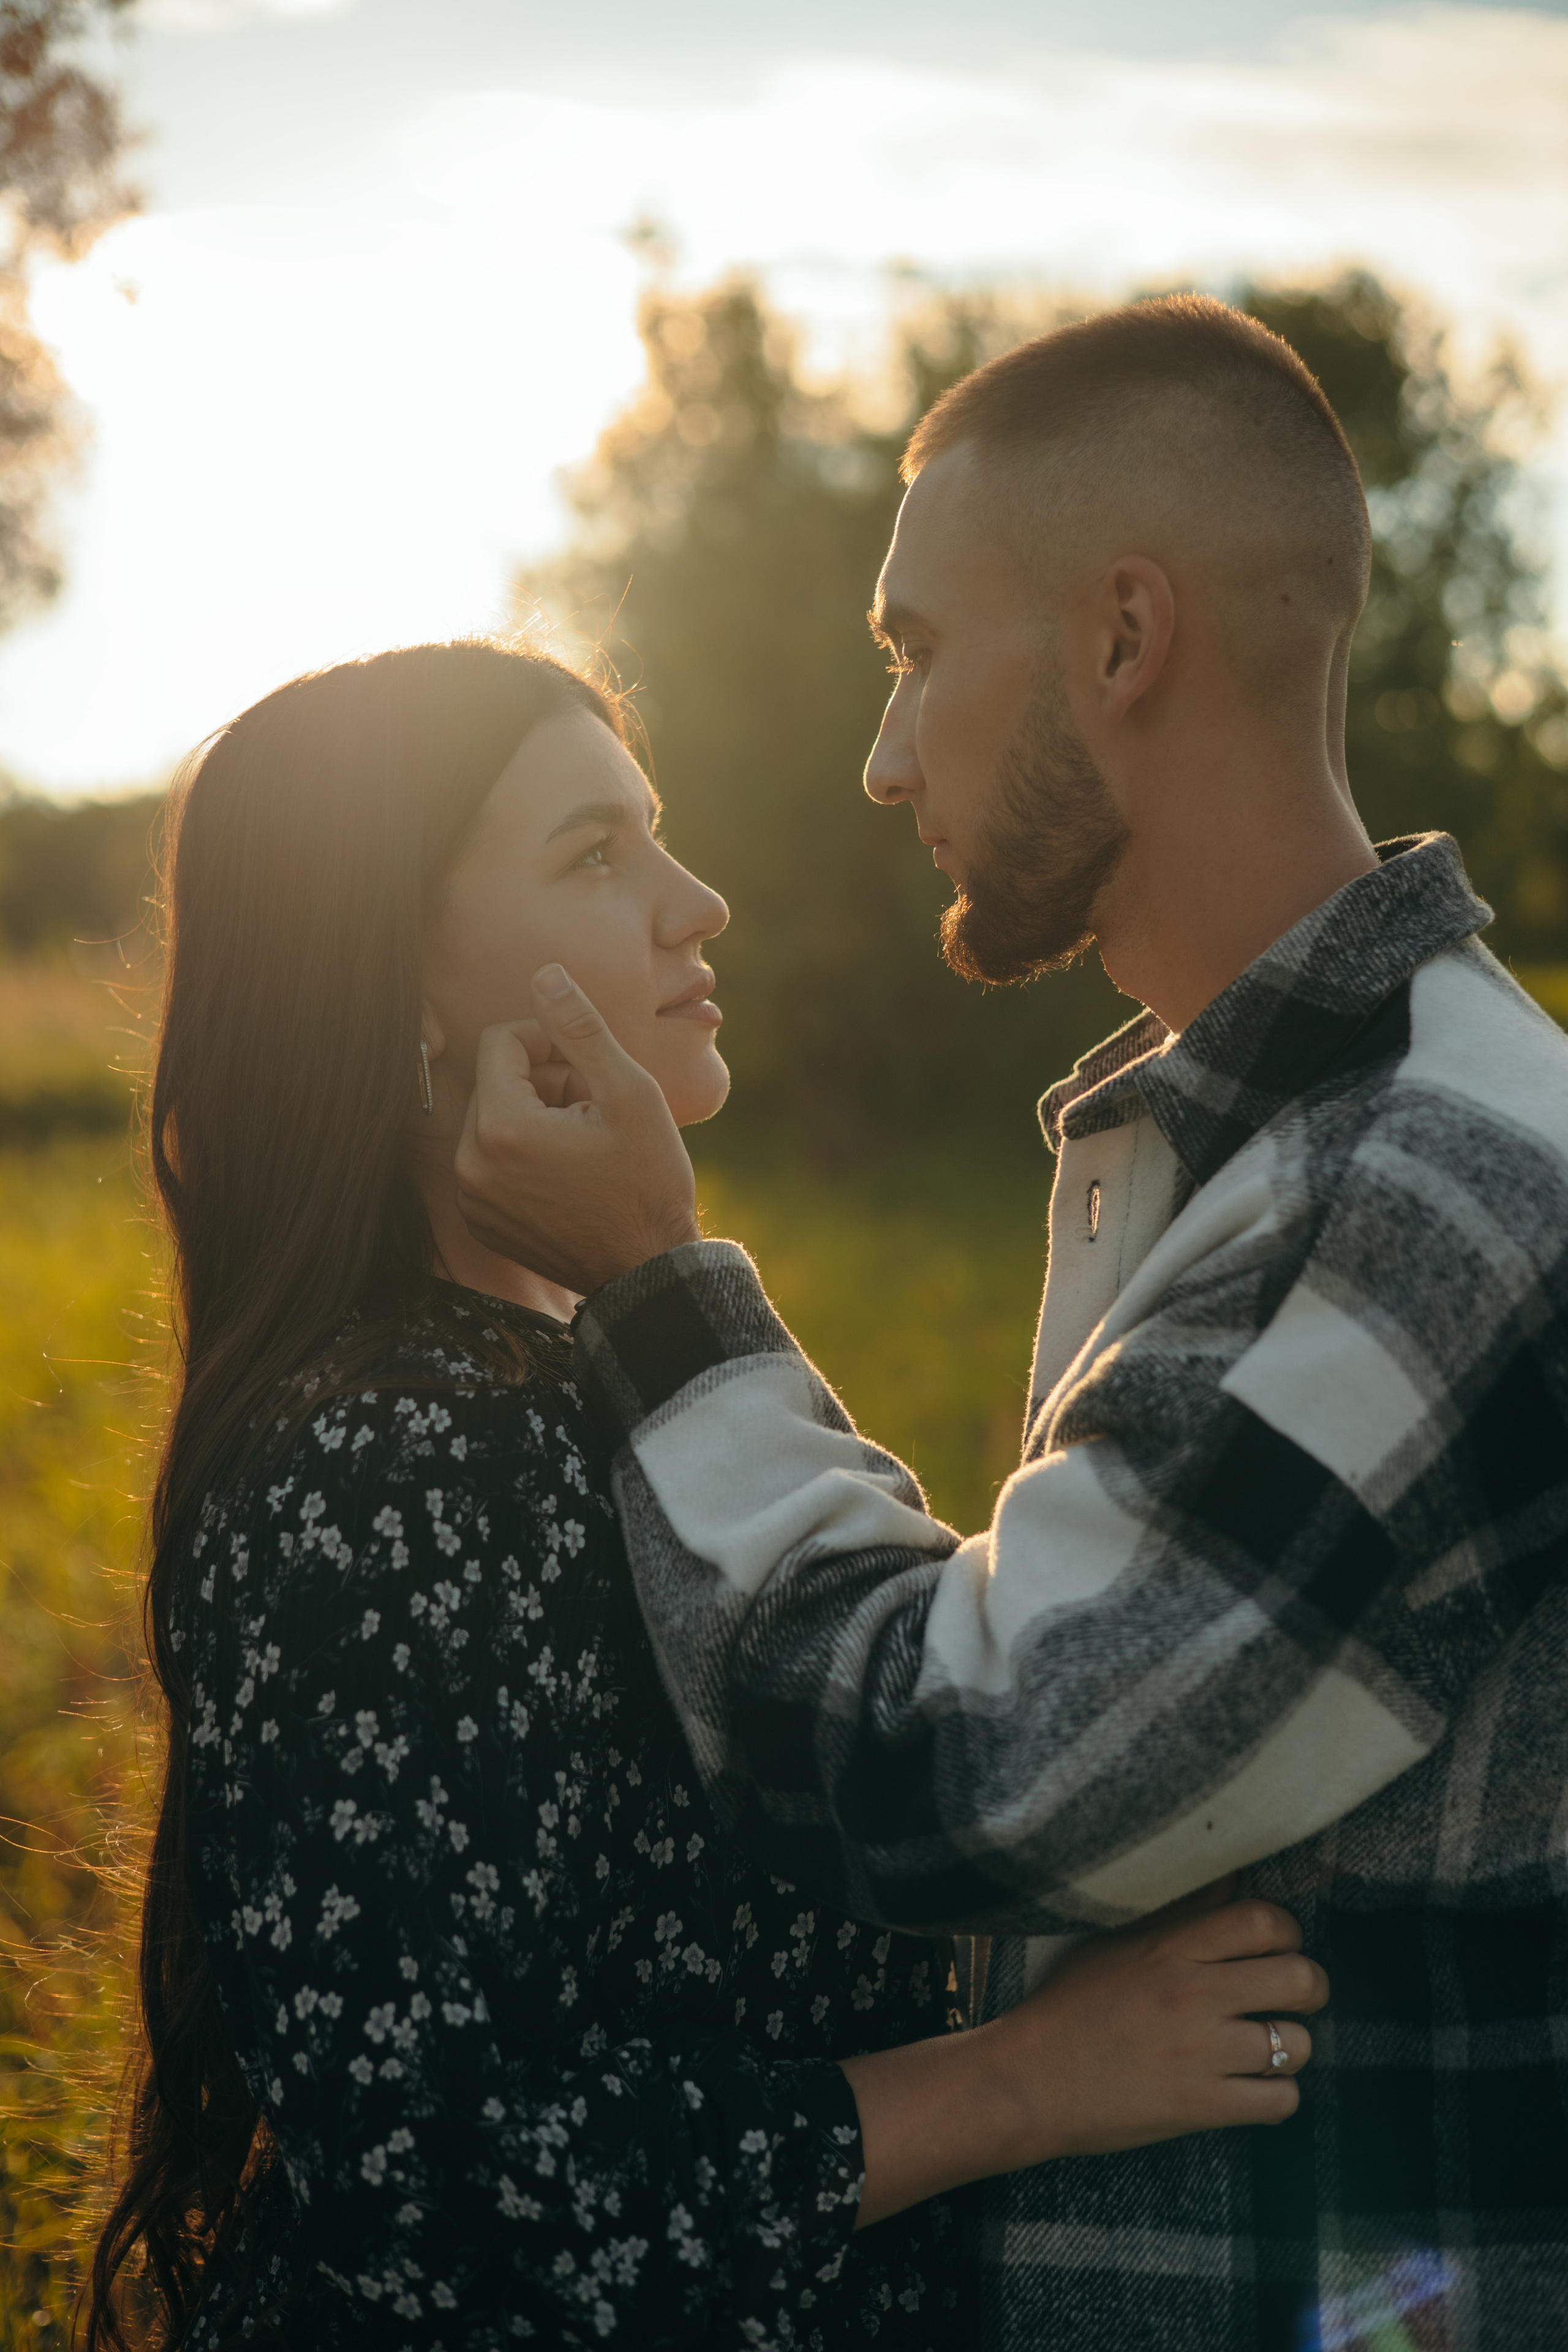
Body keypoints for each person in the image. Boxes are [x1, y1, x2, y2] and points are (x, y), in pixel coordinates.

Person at [453, 298, 1568, 2352]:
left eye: (915, 654)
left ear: (1124, 640)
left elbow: (967, 1765)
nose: (884, 759)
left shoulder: (1430, 1185)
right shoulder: (1272, 1147)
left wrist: (656, 1293)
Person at [86, 638, 1323, 2352]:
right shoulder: (378, 1464)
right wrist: (1027, 2084)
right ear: (400, 986)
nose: (698, 903)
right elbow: (433, 2195)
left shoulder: (601, 1384)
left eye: (655, 835)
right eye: (597, 855)